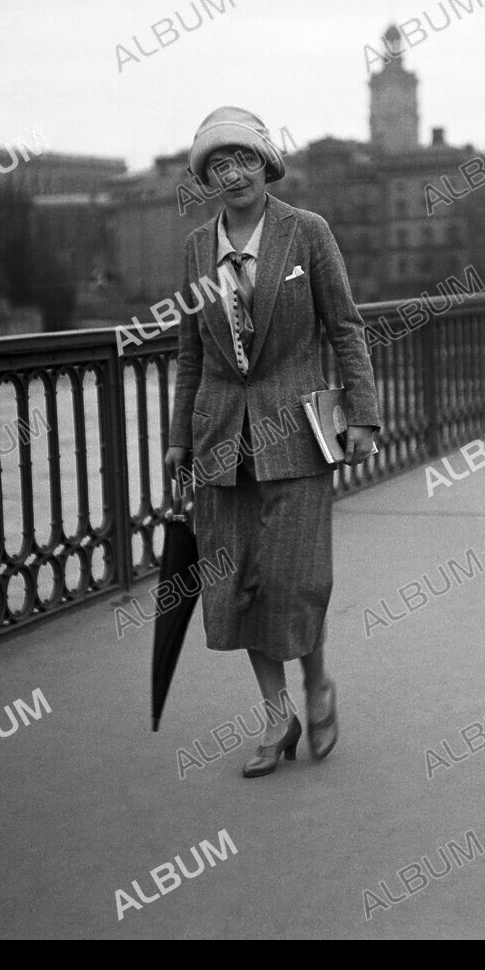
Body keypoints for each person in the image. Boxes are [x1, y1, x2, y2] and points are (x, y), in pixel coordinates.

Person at [165, 106, 381, 778]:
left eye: (244, 159)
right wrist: (178, 438)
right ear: (206, 177)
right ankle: (275, 714)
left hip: (298, 433)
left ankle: (316, 680)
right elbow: (189, 352)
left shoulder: (305, 232)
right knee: (239, 586)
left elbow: (344, 326)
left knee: (297, 578)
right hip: (219, 441)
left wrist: (363, 415)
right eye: (218, 164)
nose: (233, 173)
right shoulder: (197, 249)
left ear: (266, 165)